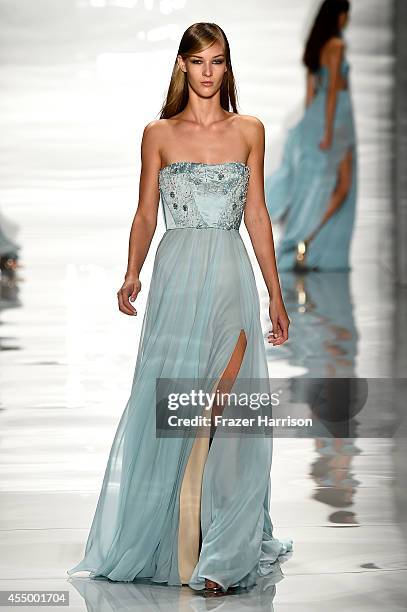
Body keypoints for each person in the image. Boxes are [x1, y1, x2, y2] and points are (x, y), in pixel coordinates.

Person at [67, 22, 293, 595]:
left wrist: (276, 292)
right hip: (174, 282)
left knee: (228, 410)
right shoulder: (158, 135)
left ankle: (225, 552)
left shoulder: (250, 132)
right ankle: (179, 538)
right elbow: (146, 213)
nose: (209, 71)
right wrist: (131, 273)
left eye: (218, 60)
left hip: (230, 279)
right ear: (183, 67)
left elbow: (258, 216)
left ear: (227, 66)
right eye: (199, 61)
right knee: (177, 411)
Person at [265, 0, 357, 271]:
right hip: (337, 121)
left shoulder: (315, 49)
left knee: (319, 187)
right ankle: (305, 239)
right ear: (339, 16)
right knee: (342, 188)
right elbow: (332, 95)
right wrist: (329, 131)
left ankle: (302, 238)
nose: (345, 21)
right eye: (344, 16)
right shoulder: (337, 47)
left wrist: (311, 129)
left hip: (315, 120)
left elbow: (311, 94)